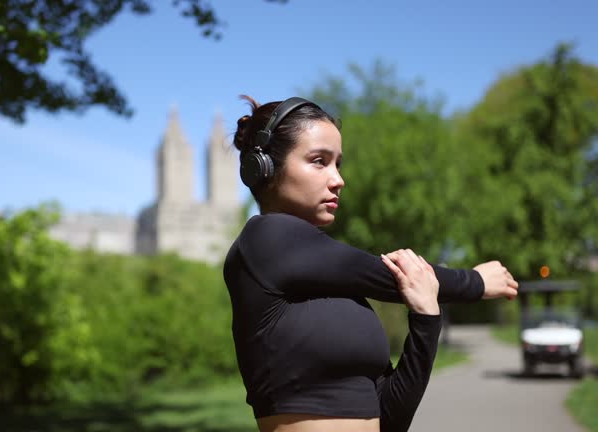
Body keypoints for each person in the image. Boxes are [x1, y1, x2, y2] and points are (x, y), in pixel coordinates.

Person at [222, 96, 519, 432]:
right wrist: (475, 282)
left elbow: (391, 419)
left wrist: (426, 318)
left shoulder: (344, 300)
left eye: (338, 164)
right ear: (265, 167)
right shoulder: (266, 239)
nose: (338, 180)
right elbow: (389, 276)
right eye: (319, 161)